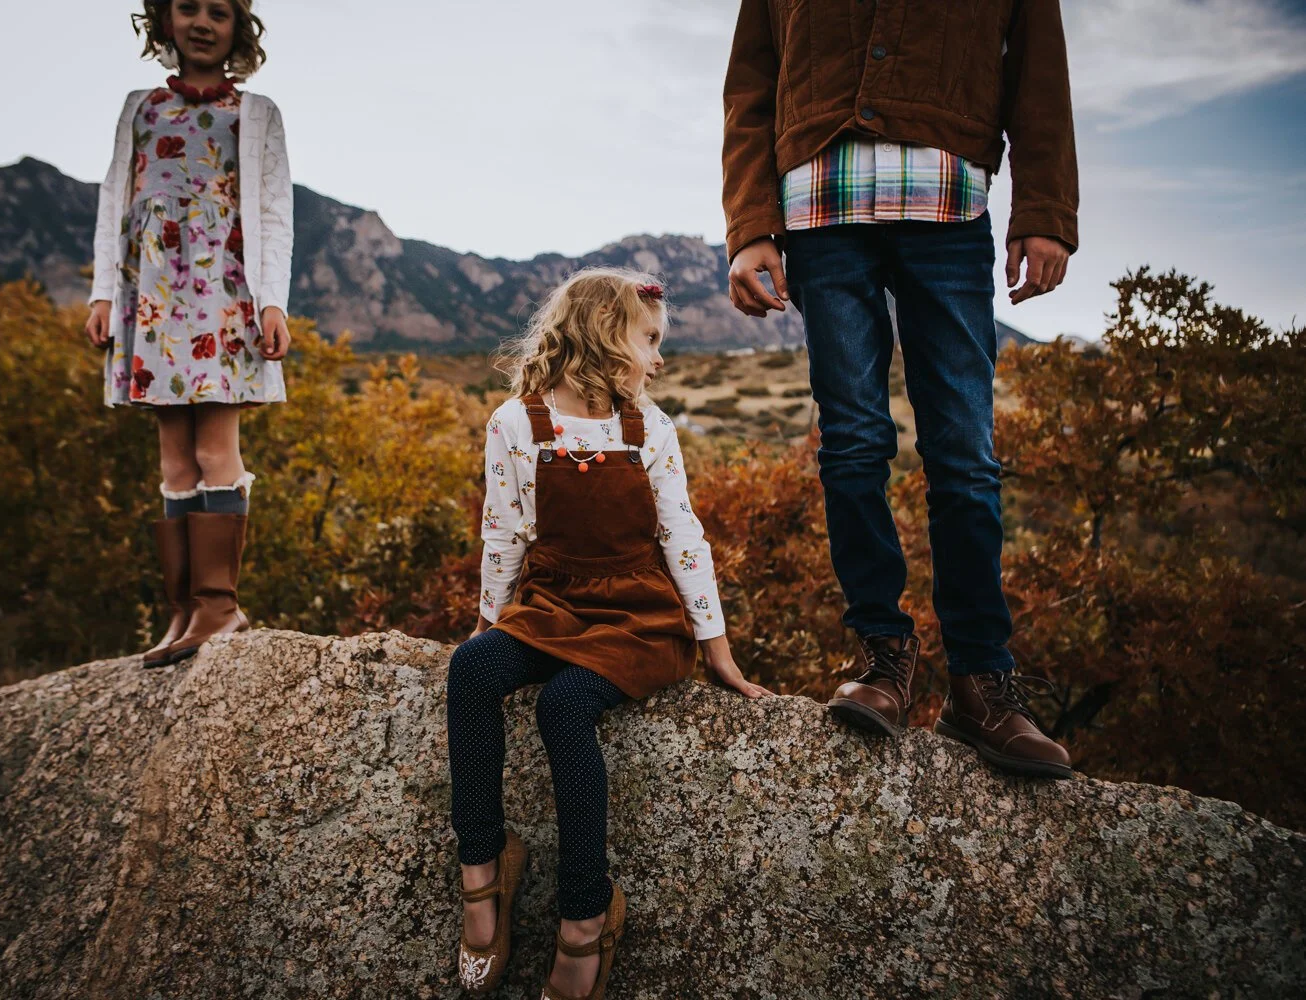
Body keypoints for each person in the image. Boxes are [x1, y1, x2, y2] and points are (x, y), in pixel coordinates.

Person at [721, 0, 1077, 778]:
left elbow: (1038, 73)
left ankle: (982, 685)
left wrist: (1045, 207)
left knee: (964, 454)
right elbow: (751, 85)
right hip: (820, 214)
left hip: (949, 213)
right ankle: (884, 659)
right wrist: (751, 223)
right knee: (851, 443)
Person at [447, 268, 770, 999]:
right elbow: (503, 534)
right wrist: (486, 628)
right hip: (554, 602)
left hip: (638, 615)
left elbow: (683, 536)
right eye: (649, 340)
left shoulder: (648, 427)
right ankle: (482, 868)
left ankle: (586, 913)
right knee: (471, 671)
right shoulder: (516, 422)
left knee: (564, 707)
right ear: (603, 334)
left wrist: (714, 645)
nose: (658, 359)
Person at [84, 0, 293, 668]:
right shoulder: (139, 107)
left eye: (219, 12)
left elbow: (273, 215)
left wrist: (272, 305)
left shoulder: (255, 114)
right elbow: (113, 198)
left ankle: (219, 606)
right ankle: (183, 611)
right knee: (173, 460)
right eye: (187, 8)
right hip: (151, 296)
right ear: (164, 20)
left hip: (223, 296)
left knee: (214, 449)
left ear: (238, 27)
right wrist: (99, 293)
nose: (202, 23)